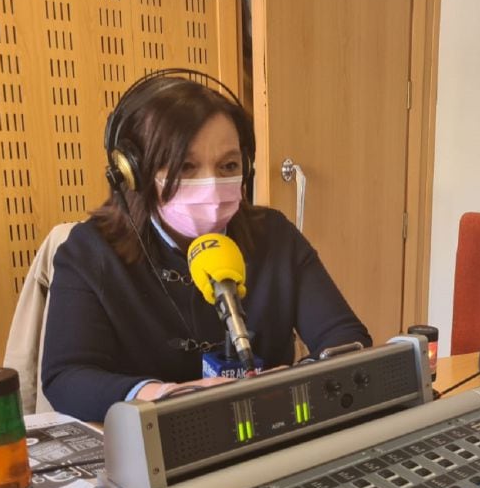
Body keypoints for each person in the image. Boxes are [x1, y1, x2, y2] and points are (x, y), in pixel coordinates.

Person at [41, 72, 371, 422]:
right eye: (186, 166)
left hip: (266, 430)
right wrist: (166, 395)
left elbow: (348, 338)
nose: (211, 184)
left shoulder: (274, 235)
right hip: (155, 448)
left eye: (228, 165)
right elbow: (66, 377)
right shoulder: (91, 250)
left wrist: (292, 382)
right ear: (135, 173)